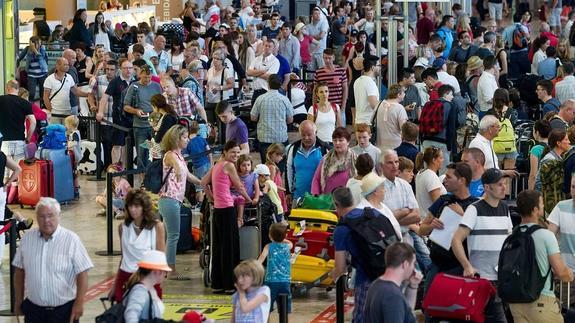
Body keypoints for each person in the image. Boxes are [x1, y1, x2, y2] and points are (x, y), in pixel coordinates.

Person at [13, 197, 94, 323]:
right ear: (36, 217)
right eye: (42, 216)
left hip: (64, 311)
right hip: (34, 311)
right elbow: (19, 271)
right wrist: (18, 300)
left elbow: (82, 274)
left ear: (59, 216)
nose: (46, 221)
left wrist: (79, 303)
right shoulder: (27, 239)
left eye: (50, 216)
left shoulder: (71, 240)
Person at [451, 168, 513, 322]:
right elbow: (456, 240)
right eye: (499, 184)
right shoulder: (475, 209)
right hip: (482, 279)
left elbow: (509, 241)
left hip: (501, 278)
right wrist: (466, 266)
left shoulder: (505, 208)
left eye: (504, 183)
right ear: (486, 187)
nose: (504, 187)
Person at [508, 190, 573, 322]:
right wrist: (569, 274)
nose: (543, 207)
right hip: (540, 301)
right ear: (535, 210)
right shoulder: (545, 236)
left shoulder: (511, 236)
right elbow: (561, 272)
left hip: (516, 302)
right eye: (542, 204)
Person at [202, 140, 253, 294]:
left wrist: (212, 198)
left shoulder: (216, 165)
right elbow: (239, 186)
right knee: (230, 247)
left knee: (218, 247)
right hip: (228, 209)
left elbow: (204, 183)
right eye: (233, 152)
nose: (236, 155)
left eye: (238, 152)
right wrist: (249, 200)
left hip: (218, 209)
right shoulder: (229, 165)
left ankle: (217, 284)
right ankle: (230, 285)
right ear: (225, 152)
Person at [419, 162, 479, 292]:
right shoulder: (443, 201)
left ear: (462, 180)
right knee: (429, 307)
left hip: (461, 266)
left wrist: (463, 216)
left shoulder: (475, 205)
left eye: (448, 177)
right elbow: (421, 229)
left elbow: (480, 234)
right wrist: (431, 226)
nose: (444, 180)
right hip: (437, 264)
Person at [159, 125, 200, 280]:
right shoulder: (170, 155)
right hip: (169, 199)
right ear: (177, 139)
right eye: (184, 137)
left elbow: (188, 175)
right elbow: (175, 166)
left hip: (173, 200)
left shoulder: (180, 156)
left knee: (169, 235)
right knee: (173, 235)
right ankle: (171, 269)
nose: (187, 139)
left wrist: (203, 183)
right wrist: (176, 168)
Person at [109, 189, 165, 302]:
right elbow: (123, 258)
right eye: (130, 206)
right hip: (125, 278)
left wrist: (158, 284)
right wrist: (114, 286)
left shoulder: (157, 226)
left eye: (137, 206)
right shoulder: (122, 227)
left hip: (148, 278)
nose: (133, 209)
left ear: (144, 207)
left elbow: (161, 260)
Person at [363, 242, 422, 323]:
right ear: (405, 264)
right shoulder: (393, 295)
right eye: (413, 263)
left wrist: (413, 285)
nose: (414, 268)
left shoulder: (376, 284)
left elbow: (406, 313)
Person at [123, 64, 162, 170]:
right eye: (145, 77)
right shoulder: (134, 87)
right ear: (140, 75)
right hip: (140, 126)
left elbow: (162, 103)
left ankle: (154, 177)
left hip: (155, 126)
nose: (147, 79)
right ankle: (143, 179)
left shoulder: (156, 86)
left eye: (149, 77)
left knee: (156, 154)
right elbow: (126, 106)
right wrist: (136, 111)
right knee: (142, 155)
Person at [250, 74, 294, 163]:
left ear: (268, 84)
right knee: (280, 167)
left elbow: (253, 117)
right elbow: (290, 120)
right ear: (280, 84)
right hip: (280, 138)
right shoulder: (284, 100)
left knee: (266, 167)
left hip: (264, 138)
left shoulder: (260, 99)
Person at [285, 120, 329, 203]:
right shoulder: (293, 148)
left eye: (309, 135)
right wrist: (288, 192)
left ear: (316, 132)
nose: (306, 138)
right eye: (303, 135)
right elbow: (288, 169)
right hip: (298, 196)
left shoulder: (324, 148)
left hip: (319, 197)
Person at [0, 80, 36, 179]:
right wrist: (28, 138)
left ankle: (5, 193)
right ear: (17, 88)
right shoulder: (25, 103)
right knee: (19, 173)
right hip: (19, 141)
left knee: (4, 172)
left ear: (7, 88)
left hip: (4, 143)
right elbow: (33, 122)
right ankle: (17, 193)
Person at [123, 250, 171, 322]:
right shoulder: (140, 291)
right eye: (165, 272)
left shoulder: (150, 289)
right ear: (157, 271)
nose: (165, 275)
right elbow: (131, 315)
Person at [257, 223, 292, 313]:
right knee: (284, 309)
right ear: (285, 236)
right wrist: (283, 237)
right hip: (285, 281)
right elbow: (290, 242)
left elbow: (261, 259)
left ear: (270, 236)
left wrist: (254, 267)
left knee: (267, 308)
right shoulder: (287, 246)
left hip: (271, 281)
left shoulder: (268, 247)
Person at [43, 57, 90, 124]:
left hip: (67, 112)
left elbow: (76, 91)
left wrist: (88, 94)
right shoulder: (49, 79)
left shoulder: (69, 77)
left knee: (67, 132)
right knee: (57, 133)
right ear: (57, 65)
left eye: (67, 64)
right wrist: (51, 111)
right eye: (65, 64)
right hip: (55, 113)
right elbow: (45, 98)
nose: (67, 66)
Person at [311, 127, 357, 195]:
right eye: (335, 140)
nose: (337, 143)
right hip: (328, 201)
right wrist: (315, 195)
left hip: (348, 202)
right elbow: (316, 179)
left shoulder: (355, 160)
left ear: (348, 142)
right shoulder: (326, 159)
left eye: (341, 140)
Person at [314, 49, 349, 123]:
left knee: (340, 131)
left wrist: (343, 107)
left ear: (333, 58)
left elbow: (345, 89)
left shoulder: (341, 71)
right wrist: (314, 106)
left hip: (338, 106)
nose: (327, 60)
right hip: (322, 107)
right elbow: (315, 91)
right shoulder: (318, 72)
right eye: (325, 58)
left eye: (329, 58)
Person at [415, 147, 447, 222]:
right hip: (430, 223)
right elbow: (437, 204)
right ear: (434, 160)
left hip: (424, 219)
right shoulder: (431, 176)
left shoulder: (421, 173)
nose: (443, 160)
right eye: (441, 158)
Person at [16, 36, 48, 106]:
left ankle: (43, 107)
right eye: (38, 43)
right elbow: (19, 57)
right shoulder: (27, 49)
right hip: (31, 74)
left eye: (40, 42)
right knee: (31, 93)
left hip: (42, 73)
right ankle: (30, 106)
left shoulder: (42, 48)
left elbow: (40, 57)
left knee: (42, 92)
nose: (40, 44)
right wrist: (17, 67)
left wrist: (34, 50)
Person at [375, 84, 409, 150]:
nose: (404, 94)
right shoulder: (399, 108)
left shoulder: (379, 105)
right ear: (398, 94)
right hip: (395, 146)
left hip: (379, 145)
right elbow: (404, 129)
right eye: (403, 92)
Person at [247, 39, 280, 106]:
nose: (267, 47)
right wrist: (262, 71)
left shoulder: (275, 61)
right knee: (253, 114)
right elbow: (248, 72)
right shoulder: (256, 59)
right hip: (255, 91)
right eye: (265, 46)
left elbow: (269, 77)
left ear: (273, 48)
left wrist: (255, 73)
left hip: (265, 91)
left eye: (269, 46)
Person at [353, 55, 380, 126]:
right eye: (379, 65)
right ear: (373, 67)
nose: (380, 68)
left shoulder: (357, 81)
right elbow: (374, 105)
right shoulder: (370, 82)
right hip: (368, 122)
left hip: (359, 121)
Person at [528, 120, 551, 190]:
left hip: (540, 185)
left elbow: (533, 175)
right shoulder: (554, 146)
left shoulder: (536, 149)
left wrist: (530, 191)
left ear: (537, 132)